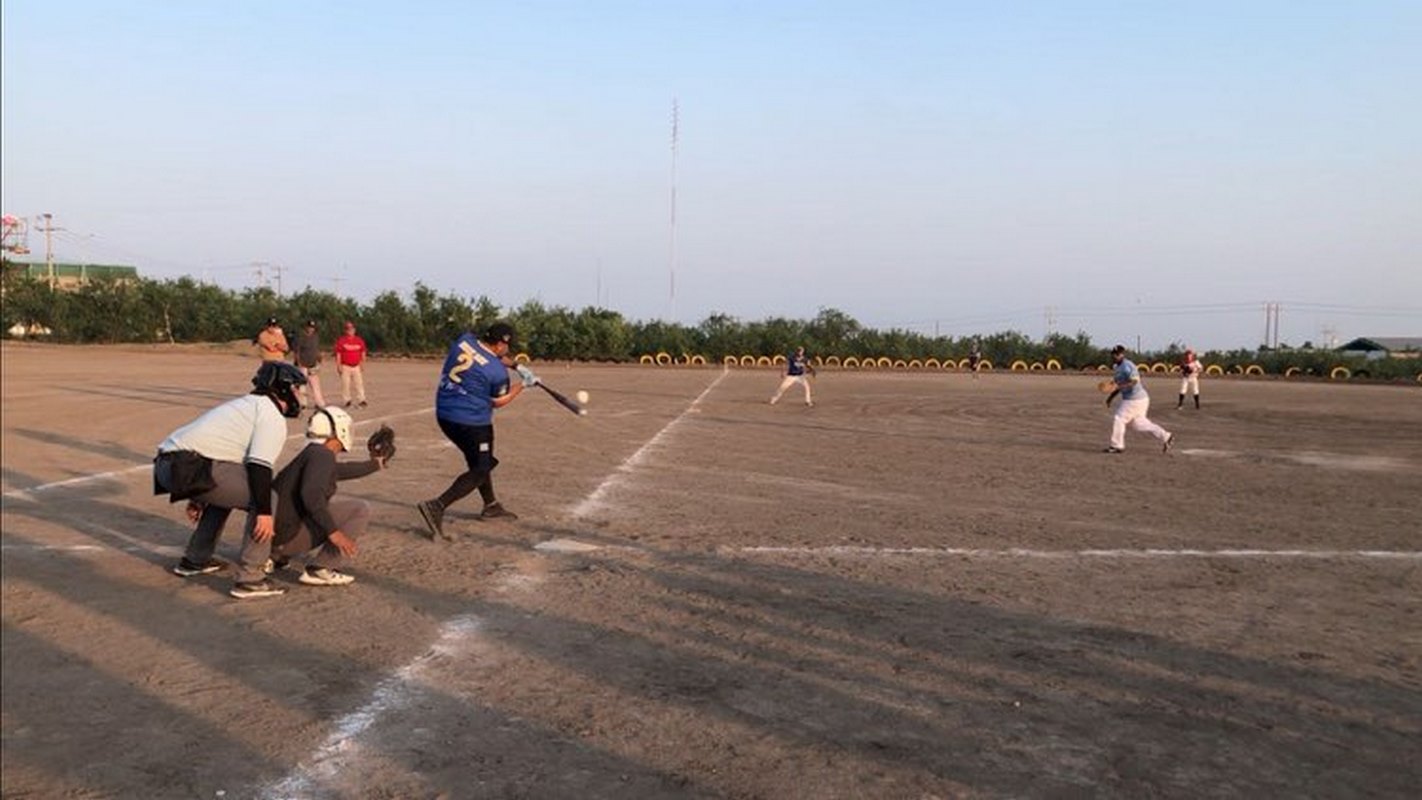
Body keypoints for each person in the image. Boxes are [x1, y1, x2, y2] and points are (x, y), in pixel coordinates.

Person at [153, 362, 306, 591]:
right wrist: (264, 512)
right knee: (266, 497)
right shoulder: (270, 414)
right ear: (282, 388)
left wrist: (198, 496)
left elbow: (216, 453)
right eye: (296, 388)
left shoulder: (245, 404)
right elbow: (259, 467)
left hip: (170, 467)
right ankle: (251, 578)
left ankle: (195, 559)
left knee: (228, 494)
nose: (299, 394)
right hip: (192, 467)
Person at [229, 406, 389, 598]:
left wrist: (374, 464)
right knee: (359, 509)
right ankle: (321, 569)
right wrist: (334, 532)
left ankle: (275, 556)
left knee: (318, 508)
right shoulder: (322, 455)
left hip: (273, 536)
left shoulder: (313, 453)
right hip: (285, 537)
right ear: (340, 430)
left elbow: (338, 471)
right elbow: (311, 495)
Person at [416, 322, 529, 540]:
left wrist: (515, 365)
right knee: (482, 466)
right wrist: (524, 384)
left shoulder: (465, 340)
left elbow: (489, 356)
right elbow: (499, 401)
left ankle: (491, 505)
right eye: (508, 346)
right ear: (499, 344)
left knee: (478, 459)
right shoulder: (496, 373)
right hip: (472, 422)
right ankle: (437, 506)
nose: (509, 350)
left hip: (445, 415)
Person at [1103, 344, 1174, 454]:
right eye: (1114, 354)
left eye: (1117, 354)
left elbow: (1134, 381)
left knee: (1119, 418)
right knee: (1139, 424)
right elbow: (1118, 384)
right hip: (1139, 400)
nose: (1115, 356)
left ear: (1122, 354)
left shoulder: (1128, 365)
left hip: (1134, 399)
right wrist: (1110, 397)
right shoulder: (1117, 368)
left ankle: (1117, 446)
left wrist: (1120, 387)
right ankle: (1166, 436)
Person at [333, 320, 368, 408]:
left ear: (354, 330)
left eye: (351, 329)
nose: (350, 331)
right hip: (345, 366)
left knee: (359, 384)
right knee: (346, 385)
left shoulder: (359, 340)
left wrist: (362, 363)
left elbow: (363, 352)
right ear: (345, 330)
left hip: (356, 366)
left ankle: (361, 399)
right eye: (348, 329)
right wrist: (338, 365)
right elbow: (338, 354)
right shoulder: (341, 341)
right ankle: (347, 400)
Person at [293, 319, 327, 409]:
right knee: (301, 385)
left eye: (313, 327)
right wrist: (298, 363)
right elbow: (297, 351)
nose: (311, 329)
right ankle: (302, 403)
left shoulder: (315, 337)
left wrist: (319, 358)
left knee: (315, 384)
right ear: (306, 327)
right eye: (309, 327)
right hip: (302, 364)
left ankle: (319, 402)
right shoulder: (300, 337)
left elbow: (316, 349)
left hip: (313, 364)